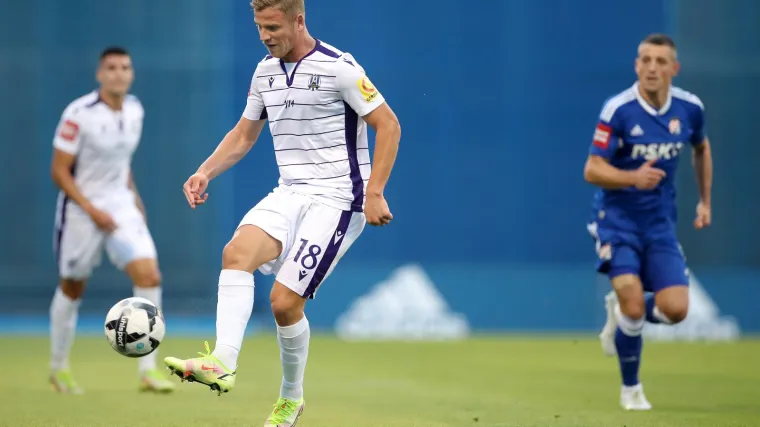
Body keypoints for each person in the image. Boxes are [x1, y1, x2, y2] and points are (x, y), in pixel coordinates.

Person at [162, 0, 401, 425]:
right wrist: (205, 171)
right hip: (289, 193)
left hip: (338, 200)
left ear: (299, 20)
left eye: (273, 27)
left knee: (283, 304)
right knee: (236, 254)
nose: (265, 36)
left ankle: (291, 398)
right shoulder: (264, 73)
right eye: (259, 27)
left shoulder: (340, 68)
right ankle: (223, 361)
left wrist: (375, 192)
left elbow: (389, 124)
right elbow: (244, 134)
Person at [584, 33, 712, 411]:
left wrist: (705, 201)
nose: (652, 68)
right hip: (617, 222)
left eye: (660, 61)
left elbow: (701, 148)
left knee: (676, 310)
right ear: (636, 65)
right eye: (645, 60)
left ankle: (623, 312)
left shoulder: (690, 108)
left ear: (674, 68)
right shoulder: (619, 110)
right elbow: (592, 169)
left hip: (659, 225)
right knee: (634, 305)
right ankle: (632, 390)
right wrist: (632, 178)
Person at [49, 47, 175, 394]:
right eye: (112, 68)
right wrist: (92, 210)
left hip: (120, 206)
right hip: (80, 210)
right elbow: (59, 171)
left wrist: (134, 200)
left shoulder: (135, 110)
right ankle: (58, 368)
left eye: (125, 67)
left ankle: (148, 370)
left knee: (149, 275)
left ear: (131, 74)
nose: (119, 73)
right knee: (73, 286)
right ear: (100, 74)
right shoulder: (79, 114)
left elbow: (121, 163)